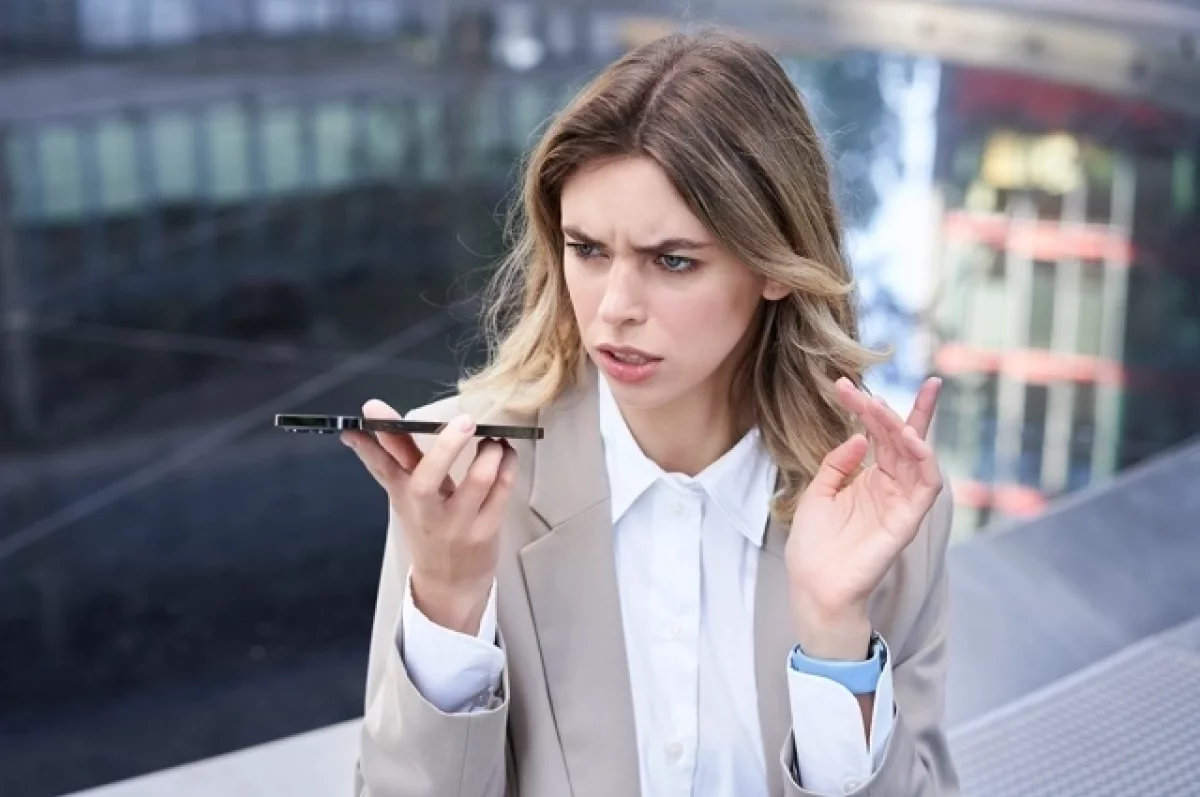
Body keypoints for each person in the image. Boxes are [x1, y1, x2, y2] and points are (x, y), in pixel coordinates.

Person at [345, 27, 958, 797]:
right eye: (587, 249)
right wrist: (446, 603)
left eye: (672, 260)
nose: (615, 309)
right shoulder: (463, 479)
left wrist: (837, 639)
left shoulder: (884, 509)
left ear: (774, 264)